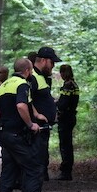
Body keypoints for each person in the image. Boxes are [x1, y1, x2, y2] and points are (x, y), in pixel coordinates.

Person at [0, 58, 49, 192]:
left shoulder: (5, 85)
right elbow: (22, 105)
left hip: (4, 134)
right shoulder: (22, 85)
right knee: (34, 169)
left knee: (9, 172)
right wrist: (30, 124)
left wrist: (3, 118)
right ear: (28, 71)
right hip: (17, 135)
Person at [29, 46, 61, 181]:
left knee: (42, 153)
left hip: (44, 126)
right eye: (51, 62)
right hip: (36, 126)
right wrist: (36, 115)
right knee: (36, 154)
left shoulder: (42, 77)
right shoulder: (33, 77)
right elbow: (26, 100)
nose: (53, 66)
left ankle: (41, 177)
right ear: (43, 60)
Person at [55, 63, 80, 181]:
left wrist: (55, 104)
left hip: (66, 118)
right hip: (71, 116)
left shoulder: (68, 85)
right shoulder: (74, 85)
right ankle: (67, 169)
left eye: (62, 72)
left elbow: (64, 103)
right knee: (67, 144)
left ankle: (66, 171)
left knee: (65, 145)